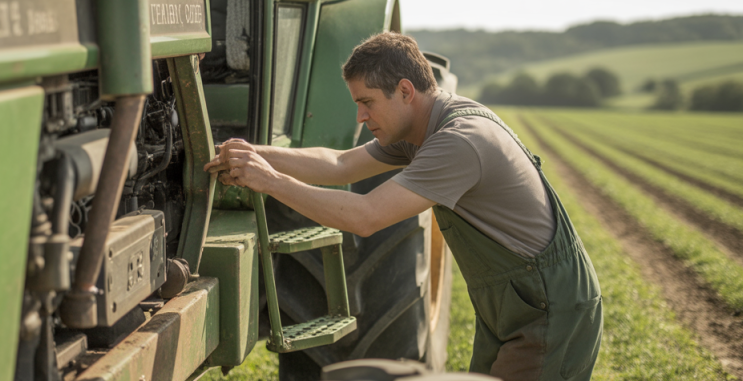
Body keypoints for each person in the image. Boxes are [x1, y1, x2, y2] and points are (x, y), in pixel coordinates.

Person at [203, 32, 602, 381]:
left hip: (548, 309)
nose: (361, 116)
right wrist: (253, 153)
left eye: (367, 102)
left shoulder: (459, 141)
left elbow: (365, 216)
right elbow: (341, 165)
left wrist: (269, 181)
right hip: (514, 304)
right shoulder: (419, 127)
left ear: (406, 91)